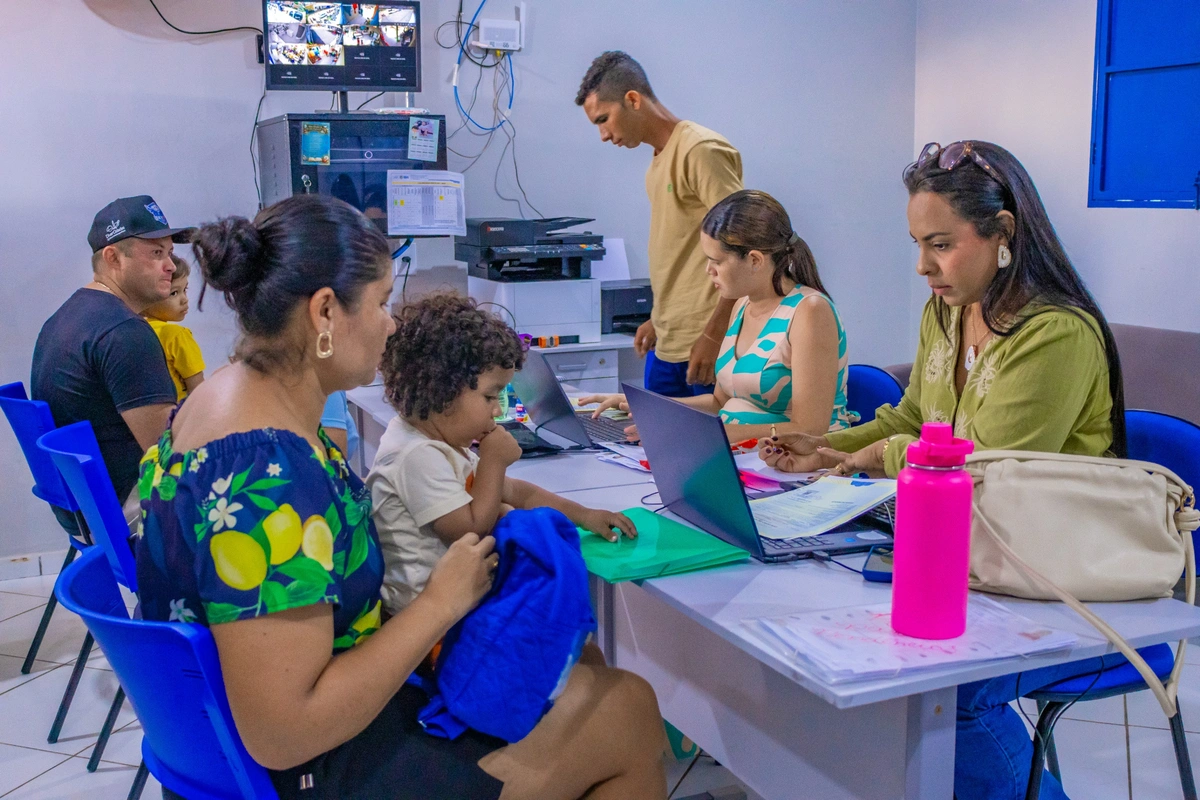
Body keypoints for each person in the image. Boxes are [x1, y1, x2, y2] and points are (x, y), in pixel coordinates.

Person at [136, 194, 666, 800]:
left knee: (591, 679)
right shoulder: (267, 469)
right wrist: (439, 604)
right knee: (627, 712)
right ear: (325, 312)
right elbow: (283, 732)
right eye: (383, 302)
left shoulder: (223, 398)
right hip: (305, 769)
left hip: (226, 743)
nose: (392, 322)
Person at [759, 140, 1125, 800]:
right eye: (917, 245)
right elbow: (910, 421)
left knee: (939, 695)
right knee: (837, 658)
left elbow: (979, 464)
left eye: (942, 244)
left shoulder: (1055, 333)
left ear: (1002, 233)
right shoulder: (948, 311)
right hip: (964, 553)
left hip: (1046, 572)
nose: (925, 266)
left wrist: (862, 458)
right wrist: (828, 444)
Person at [368, 292, 637, 616]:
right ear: (440, 389)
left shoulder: (442, 444)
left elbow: (516, 492)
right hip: (431, 631)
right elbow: (470, 532)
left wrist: (584, 515)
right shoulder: (415, 456)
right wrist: (493, 461)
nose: (497, 411)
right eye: (490, 397)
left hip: (460, 613)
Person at [582, 190, 854, 442]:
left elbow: (809, 429)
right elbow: (719, 403)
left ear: (755, 261)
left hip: (798, 467)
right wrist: (650, 408)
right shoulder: (741, 305)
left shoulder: (810, 311)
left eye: (717, 261)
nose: (708, 270)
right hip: (738, 456)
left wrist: (705, 432)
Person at [577, 51, 743, 398]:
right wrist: (660, 318)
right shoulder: (657, 162)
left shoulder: (700, 149)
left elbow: (742, 246)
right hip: (668, 341)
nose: (604, 135)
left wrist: (714, 335)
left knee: (697, 451)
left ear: (633, 99)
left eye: (603, 119)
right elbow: (681, 250)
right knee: (650, 448)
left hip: (704, 343)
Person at [32, 195, 191, 525]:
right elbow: (170, 450)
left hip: (84, 507)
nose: (172, 266)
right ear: (113, 258)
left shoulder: (64, 317)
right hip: (127, 509)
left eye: (170, 252)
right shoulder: (125, 332)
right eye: (156, 253)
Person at [143, 253, 206, 400]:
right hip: (178, 416)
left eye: (185, 290)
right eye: (174, 293)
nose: (184, 299)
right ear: (145, 296)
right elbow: (198, 390)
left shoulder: (132, 331)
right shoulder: (176, 335)